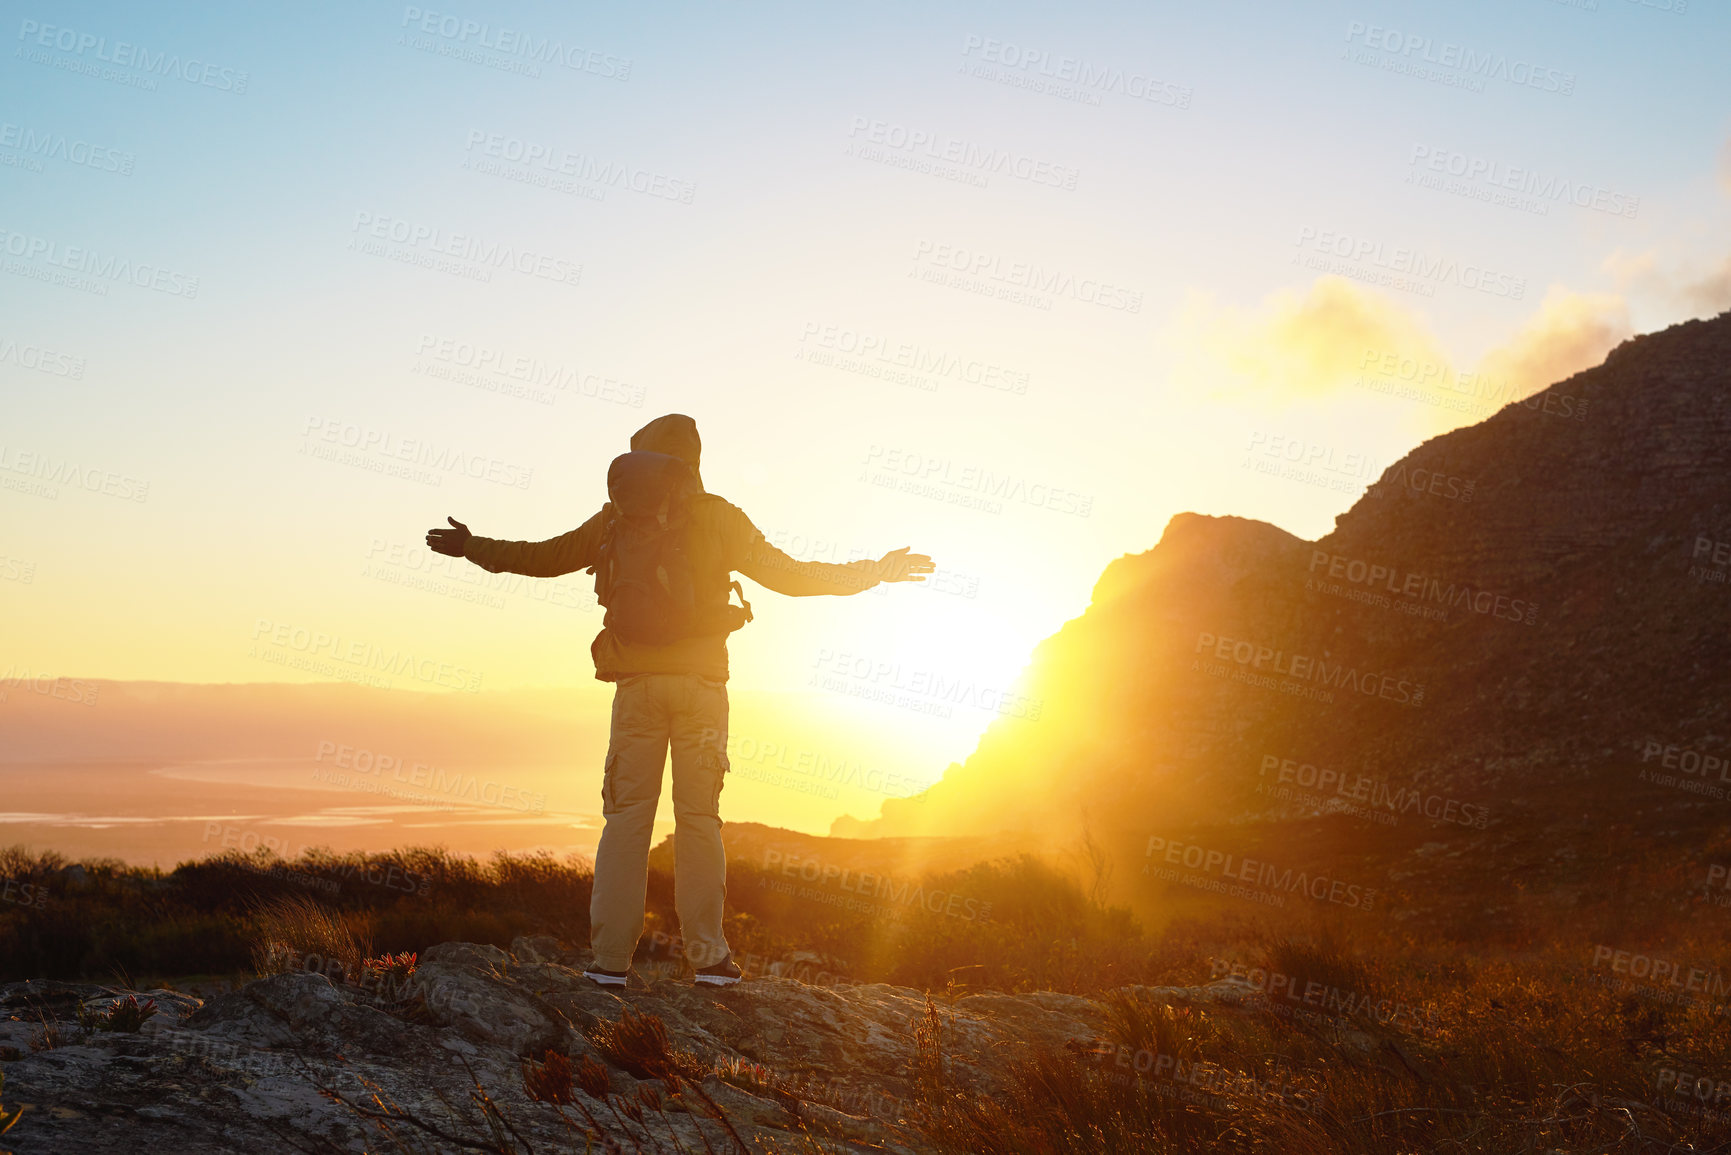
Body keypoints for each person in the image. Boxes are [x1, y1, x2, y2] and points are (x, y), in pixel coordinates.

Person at [426, 414, 932, 987]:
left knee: (625, 822)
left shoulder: (617, 517)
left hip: (636, 687)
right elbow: (791, 576)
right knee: (698, 820)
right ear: (694, 460)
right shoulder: (720, 517)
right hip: (701, 691)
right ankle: (710, 959)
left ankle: (609, 964)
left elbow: (546, 557)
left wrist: (472, 547)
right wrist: (876, 572)